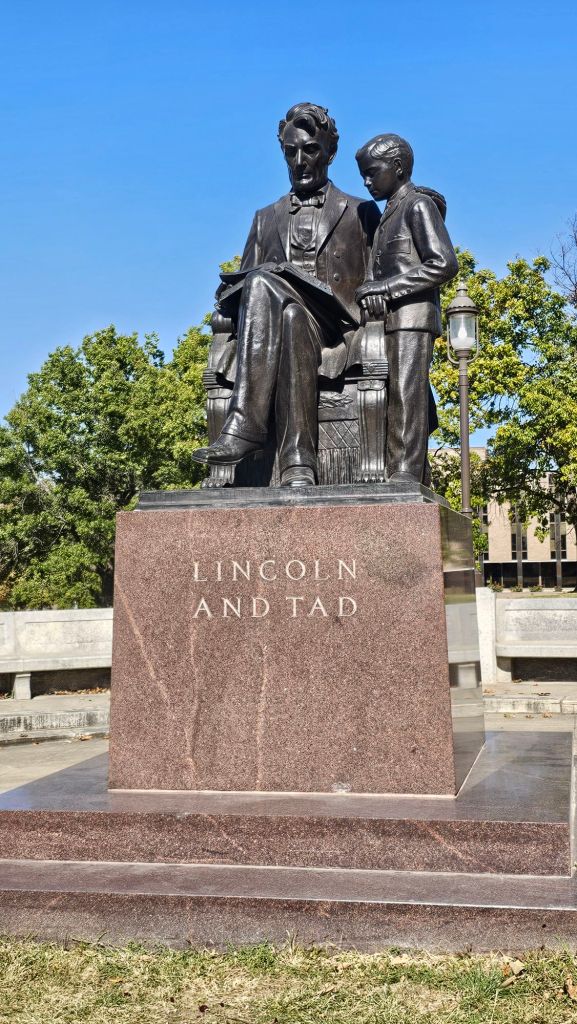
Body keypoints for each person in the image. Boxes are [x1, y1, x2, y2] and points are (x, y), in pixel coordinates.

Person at [192, 103, 380, 487]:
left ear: (330, 152)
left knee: (263, 281)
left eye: (310, 150)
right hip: (284, 331)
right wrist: (229, 291)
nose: (300, 161)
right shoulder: (265, 217)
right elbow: (239, 289)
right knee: (283, 307)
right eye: (290, 151)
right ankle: (298, 465)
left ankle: (245, 427)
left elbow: (379, 276)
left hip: (337, 331)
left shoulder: (361, 212)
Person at [355, 133, 459, 484]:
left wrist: (384, 288)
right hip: (386, 321)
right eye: (363, 175)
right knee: (397, 395)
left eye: (372, 172)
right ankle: (413, 470)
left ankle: (406, 471)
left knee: (405, 394)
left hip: (412, 319)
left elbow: (444, 263)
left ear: (397, 167)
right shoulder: (388, 214)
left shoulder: (418, 205)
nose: (367, 182)